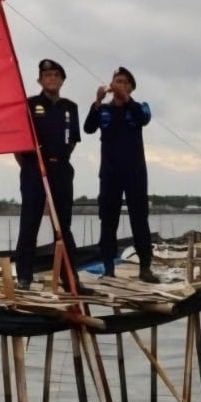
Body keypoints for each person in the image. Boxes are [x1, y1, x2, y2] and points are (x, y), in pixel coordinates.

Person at [13, 58, 85, 292]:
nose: (52, 78)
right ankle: (24, 276)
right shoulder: (29, 104)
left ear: (62, 80)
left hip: (61, 169)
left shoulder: (70, 107)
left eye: (56, 75)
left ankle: (70, 278)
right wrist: (31, 165)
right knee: (30, 222)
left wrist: (58, 160)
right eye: (47, 75)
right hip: (35, 169)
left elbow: (72, 140)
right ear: (40, 80)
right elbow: (18, 144)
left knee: (63, 226)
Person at [84, 66, 158, 283]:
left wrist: (128, 100)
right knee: (108, 221)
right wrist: (97, 102)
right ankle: (108, 268)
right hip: (109, 174)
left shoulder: (139, 108)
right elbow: (88, 128)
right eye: (117, 81)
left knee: (139, 220)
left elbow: (143, 119)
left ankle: (145, 268)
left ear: (131, 87)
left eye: (125, 82)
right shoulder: (104, 110)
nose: (120, 85)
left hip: (135, 173)